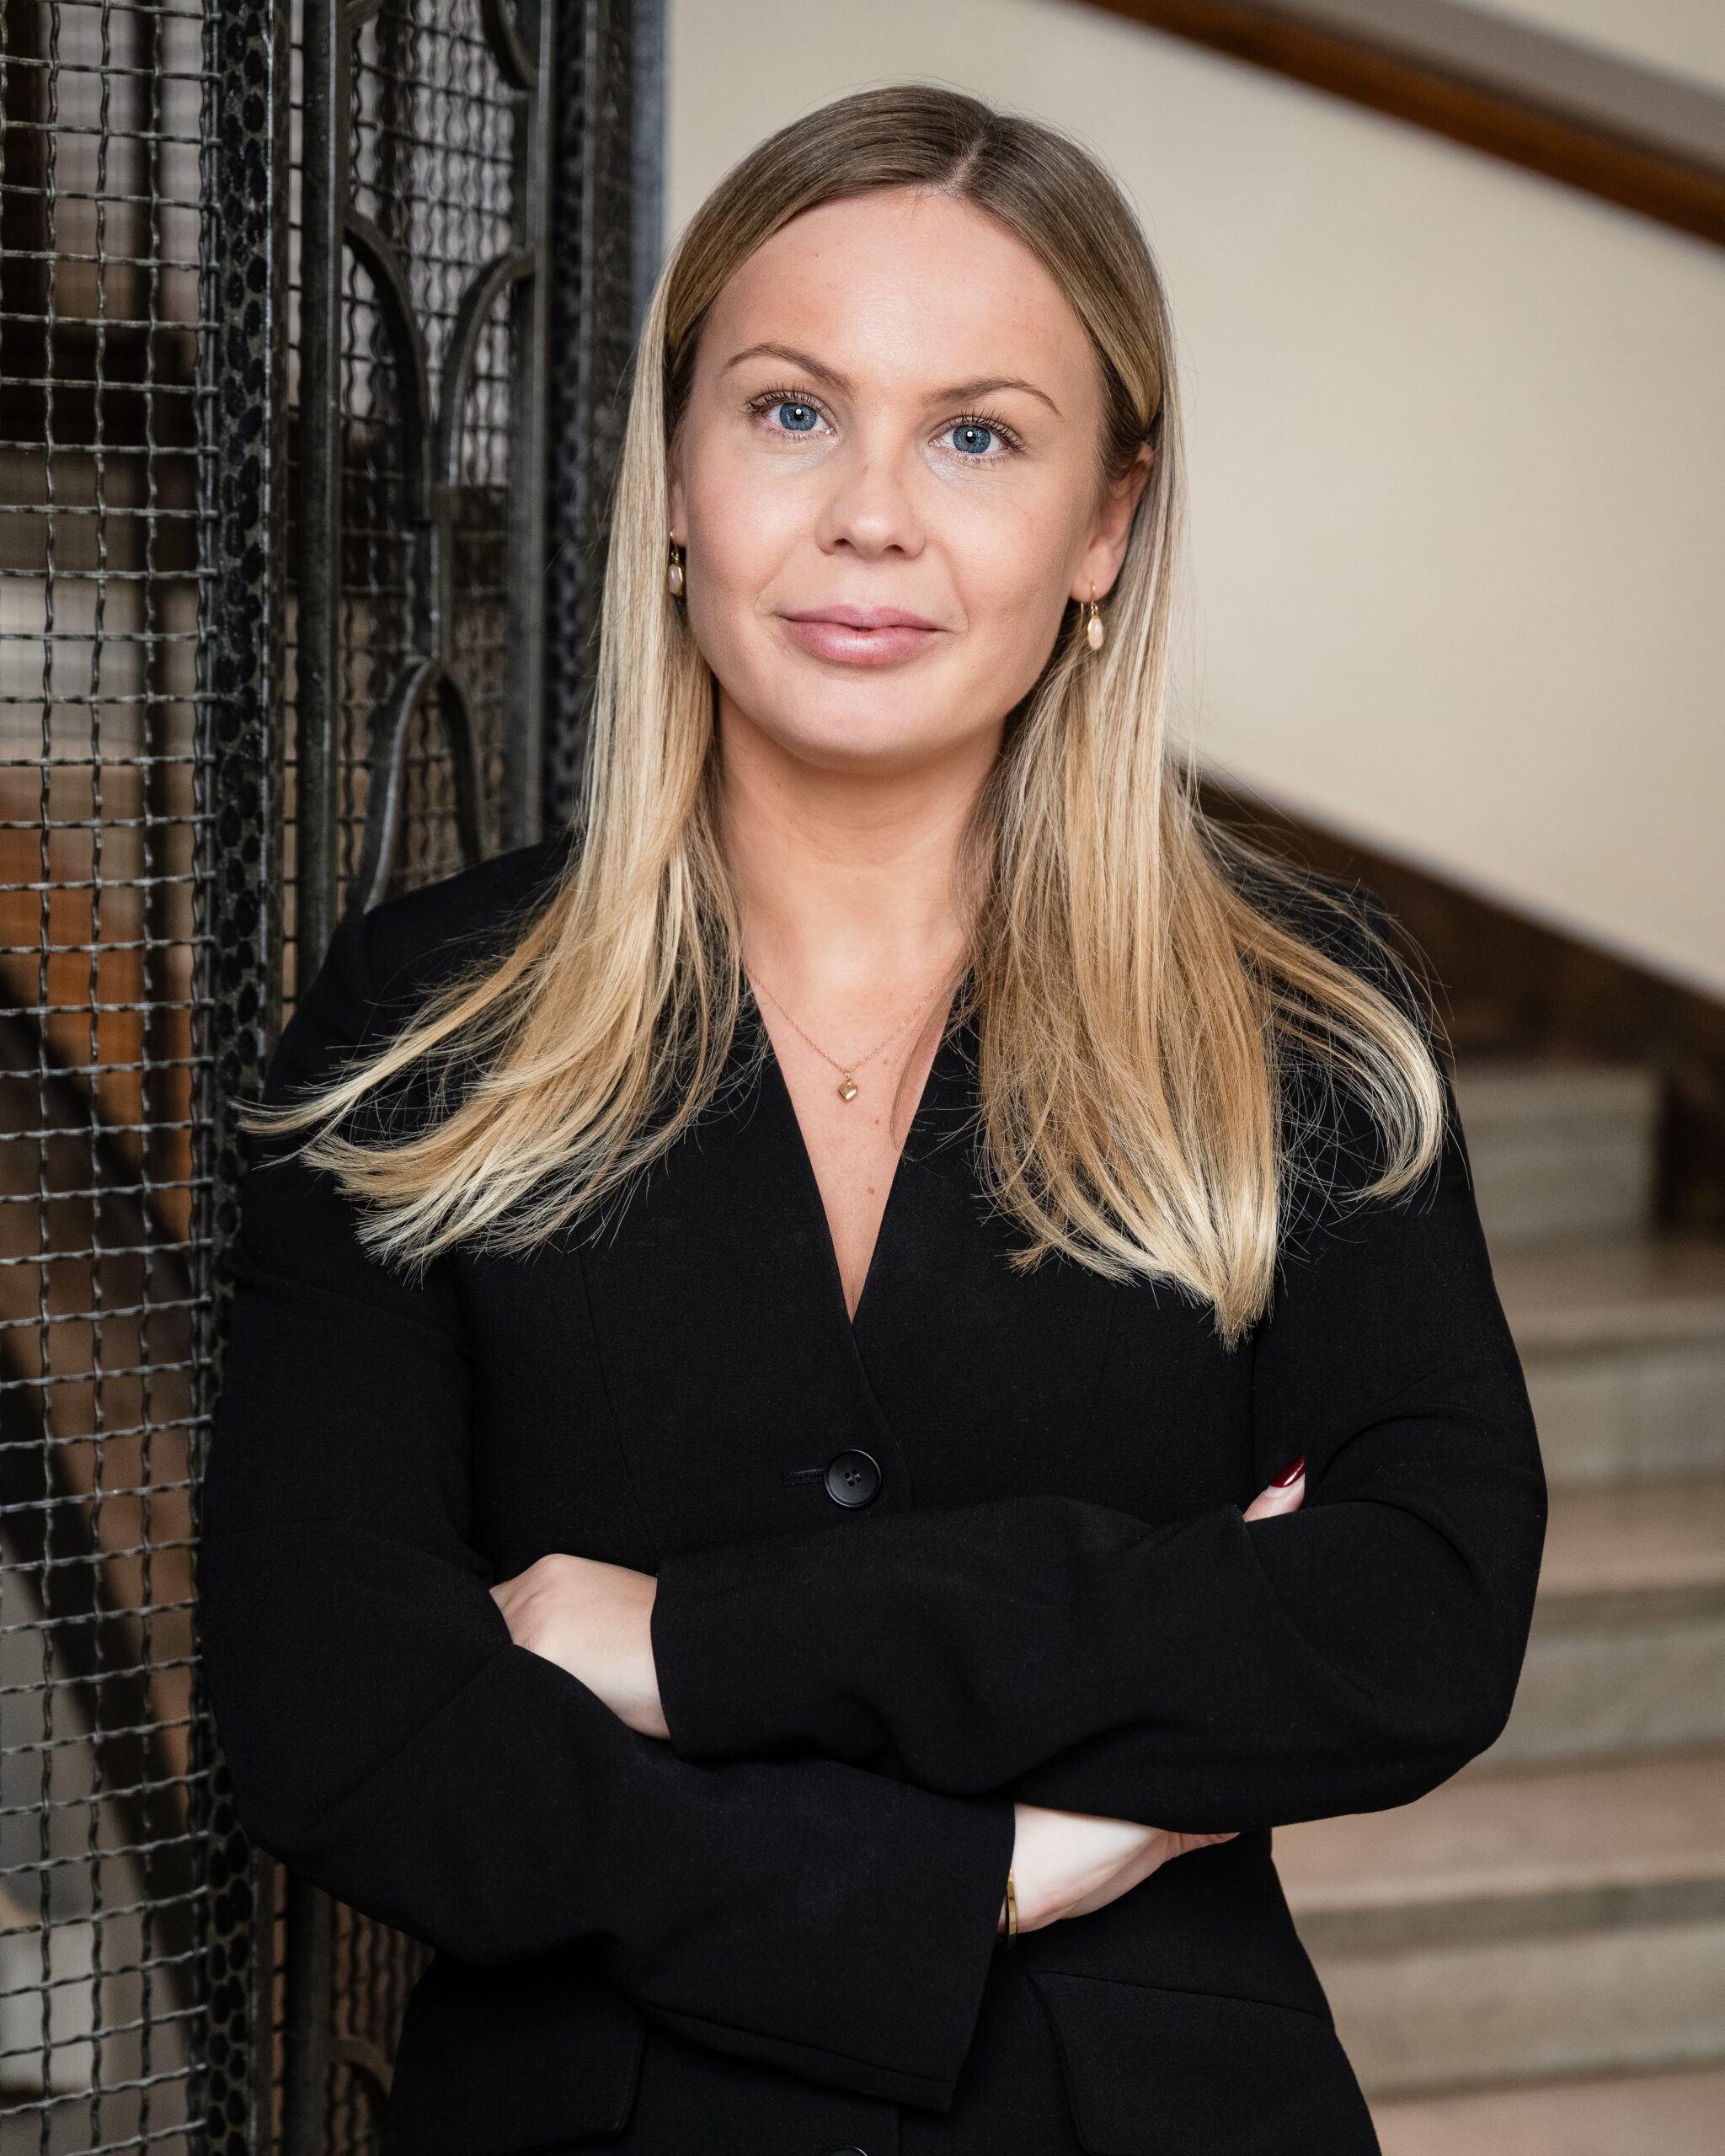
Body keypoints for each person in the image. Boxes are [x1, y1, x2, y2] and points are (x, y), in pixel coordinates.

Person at [200, 83, 1546, 2156]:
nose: (871, 517)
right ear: (676, 475)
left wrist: (688, 1637)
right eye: (790, 411)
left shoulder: (1298, 1020)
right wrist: (973, 1874)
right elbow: (338, 1713)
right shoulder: (424, 1018)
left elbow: (1414, 1615)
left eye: (978, 436)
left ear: (1105, 527)